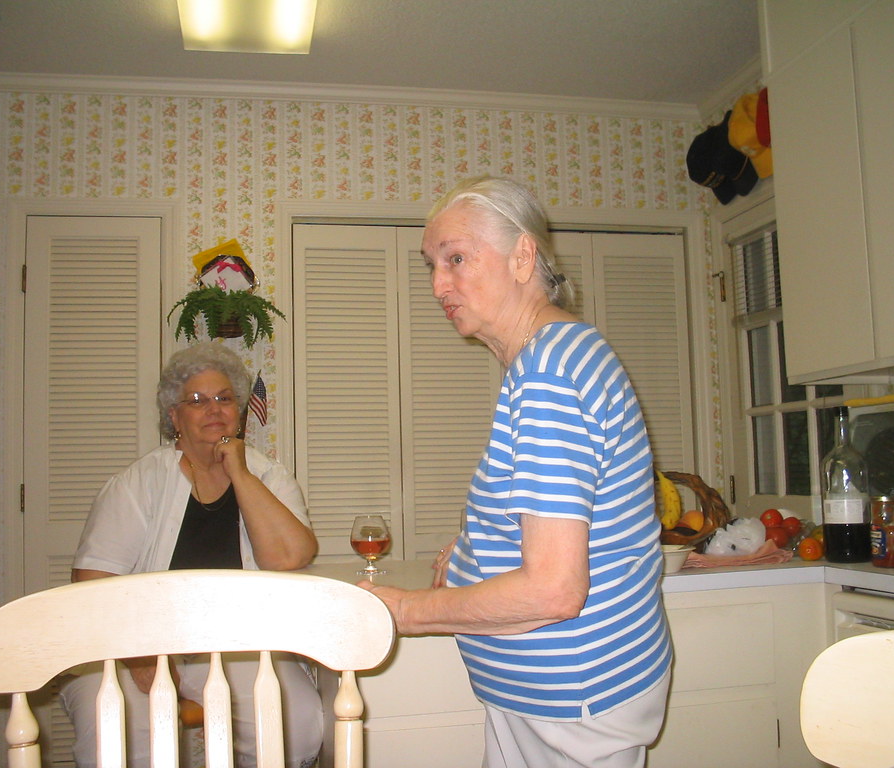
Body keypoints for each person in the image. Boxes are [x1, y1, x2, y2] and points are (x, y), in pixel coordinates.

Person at [359, 176, 673, 768]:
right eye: (431, 265)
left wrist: (402, 610)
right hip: (558, 696)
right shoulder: (557, 357)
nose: (438, 284)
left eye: (456, 258)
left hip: (572, 699)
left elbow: (553, 589)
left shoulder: (548, 372)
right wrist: (475, 549)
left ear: (523, 256)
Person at [60, 341, 323, 768]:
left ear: (239, 412)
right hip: (136, 644)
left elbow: (290, 557)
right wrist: (141, 657)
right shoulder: (138, 483)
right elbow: (92, 583)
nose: (213, 409)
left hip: (238, 642)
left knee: (296, 724)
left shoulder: (268, 475)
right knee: (117, 731)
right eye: (197, 400)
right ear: (174, 416)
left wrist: (239, 472)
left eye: (224, 398)